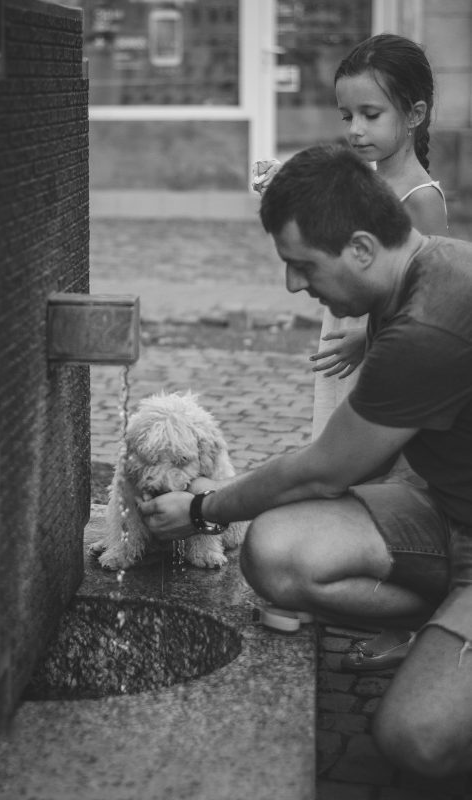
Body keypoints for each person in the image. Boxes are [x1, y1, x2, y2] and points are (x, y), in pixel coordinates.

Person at [140, 144, 472, 777]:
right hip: (445, 510)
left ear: (363, 249)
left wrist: (203, 509)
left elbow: (324, 468)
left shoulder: (429, 325)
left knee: (415, 738)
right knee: (274, 552)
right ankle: (442, 619)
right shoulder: (414, 277)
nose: (294, 285)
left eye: (302, 266)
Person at [253, 33, 449, 670]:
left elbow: (422, 292)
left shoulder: (421, 199)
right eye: (347, 117)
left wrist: (365, 337)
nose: (357, 129)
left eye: (372, 114)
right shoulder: (362, 181)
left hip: (383, 353)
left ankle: (411, 606)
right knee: (342, 455)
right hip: (353, 343)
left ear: (413, 115)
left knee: (384, 467)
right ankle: (335, 553)